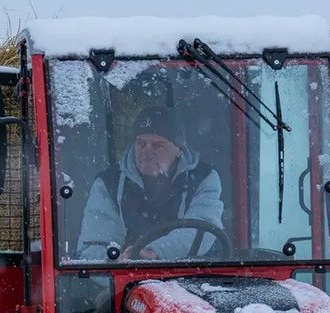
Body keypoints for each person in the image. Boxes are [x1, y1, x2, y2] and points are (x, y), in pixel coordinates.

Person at [77, 106, 224, 261]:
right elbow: (94, 244)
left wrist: (154, 252)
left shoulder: (204, 178)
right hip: (126, 279)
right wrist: (115, 260)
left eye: (158, 145)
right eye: (141, 143)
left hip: (193, 275)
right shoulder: (108, 183)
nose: (146, 153)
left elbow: (202, 229)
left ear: (178, 149)